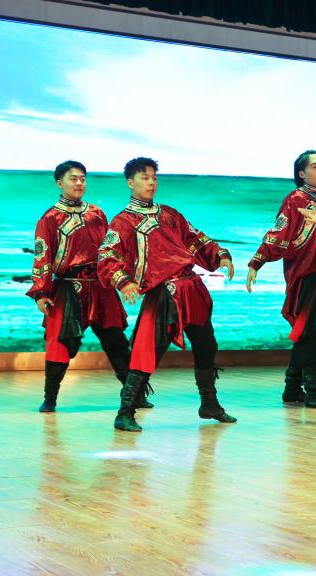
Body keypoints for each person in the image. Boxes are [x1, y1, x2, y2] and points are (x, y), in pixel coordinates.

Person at [98, 157, 236, 432]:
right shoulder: (123, 222)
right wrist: (124, 281)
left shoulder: (170, 214)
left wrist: (220, 255)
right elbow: (107, 254)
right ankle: (125, 412)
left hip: (191, 288)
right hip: (163, 293)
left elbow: (196, 238)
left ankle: (209, 404)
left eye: (154, 177)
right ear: (130, 182)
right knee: (147, 352)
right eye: (145, 177)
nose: (151, 182)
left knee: (206, 346)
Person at [28, 160, 143, 413]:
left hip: (101, 287)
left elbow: (110, 250)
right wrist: (41, 292)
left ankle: (135, 394)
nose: (79, 183)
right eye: (73, 179)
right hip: (68, 287)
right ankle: (50, 399)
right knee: (60, 344)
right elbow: (42, 256)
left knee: (116, 341)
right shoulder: (49, 218)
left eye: (82, 179)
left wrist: (121, 277)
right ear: (59, 183)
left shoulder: (97, 213)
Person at [247, 150, 316, 409]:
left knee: (312, 331)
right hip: (306, 277)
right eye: (315, 166)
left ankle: (292, 387)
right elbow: (279, 233)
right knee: (313, 333)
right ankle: (314, 391)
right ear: (302, 173)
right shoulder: (295, 200)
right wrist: (257, 262)